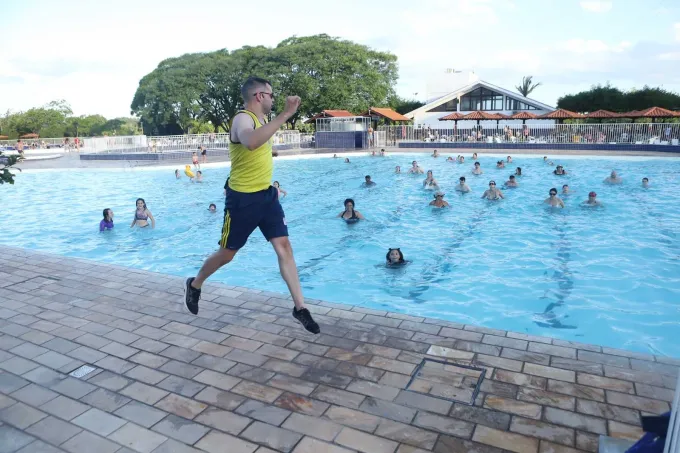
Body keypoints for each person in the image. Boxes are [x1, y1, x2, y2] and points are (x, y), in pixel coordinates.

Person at [183, 76, 320, 334]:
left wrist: (271, 151)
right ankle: (195, 284)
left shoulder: (261, 122)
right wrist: (287, 113)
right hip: (242, 200)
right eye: (270, 95)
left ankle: (300, 308)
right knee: (227, 254)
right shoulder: (242, 118)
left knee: (284, 247)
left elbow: (259, 145)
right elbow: (250, 141)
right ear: (259, 96)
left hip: (267, 196)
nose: (272, 99)